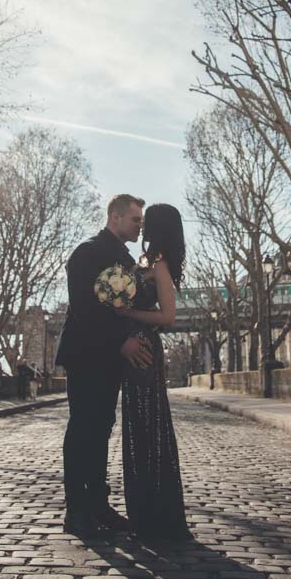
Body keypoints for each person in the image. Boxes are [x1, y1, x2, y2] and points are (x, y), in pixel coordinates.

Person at [54, 194, 153, 537]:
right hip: (85, 354)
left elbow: (124, 308)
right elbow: (83, 307)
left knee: (102, 428)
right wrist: (120, 341)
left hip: (110, 359)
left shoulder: (125, 259)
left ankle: (98, 503)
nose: (141, 226)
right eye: (135, 220)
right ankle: (75, 510)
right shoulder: (87, 252)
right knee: (82, 428)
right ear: (115, 217)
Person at [113, 202, 192, 542]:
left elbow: (168, 317)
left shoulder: (159, 266)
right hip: (135, 349)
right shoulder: (144, 263)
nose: (142, 226)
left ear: (157, 228)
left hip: (144, 350)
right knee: (136, 427)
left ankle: (155, 515)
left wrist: (129, 316)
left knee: (148, 426)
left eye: (148, 222)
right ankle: (143, 511)